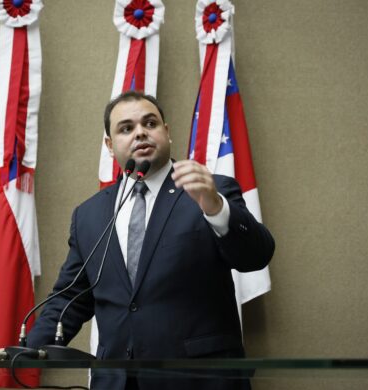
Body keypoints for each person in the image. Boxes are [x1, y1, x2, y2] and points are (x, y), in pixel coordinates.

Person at [26, 91, 275, 390]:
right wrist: (26, 352)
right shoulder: (89, 215)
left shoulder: (210, 190)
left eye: (150, 123)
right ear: (109, 145)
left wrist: (216, 208)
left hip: (201, 380)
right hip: (117, 382)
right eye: (126, 128)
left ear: (167, 132)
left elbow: (256, 256)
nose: (140, 132)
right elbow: (70, 298)